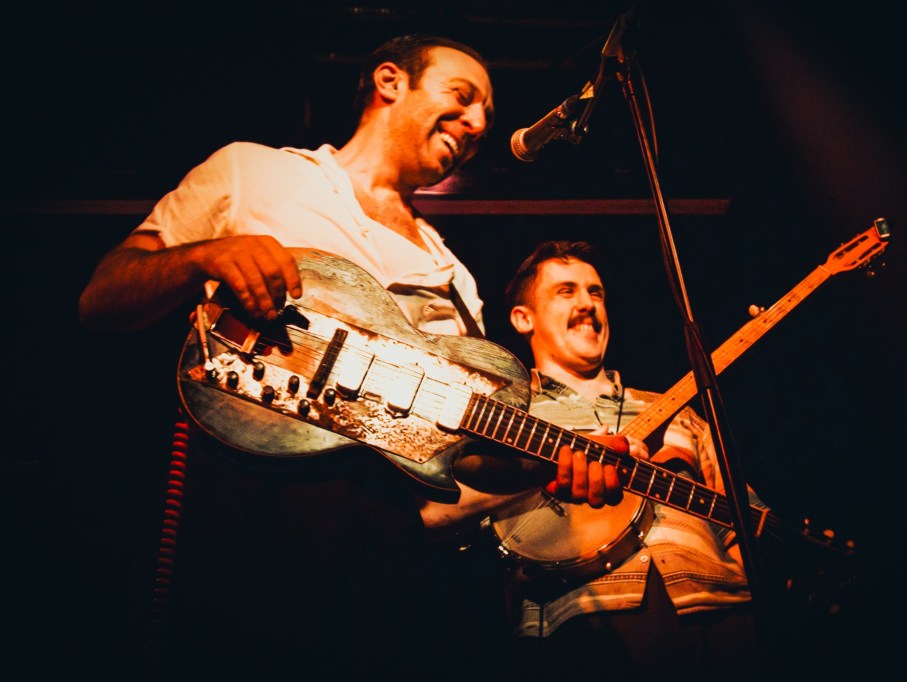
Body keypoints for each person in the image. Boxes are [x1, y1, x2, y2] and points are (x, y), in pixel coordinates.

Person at [78, 35, 621, 679]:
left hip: (386, 559)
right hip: (244, 513)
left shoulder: (455, 277)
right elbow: (101, 298)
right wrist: (203, 256)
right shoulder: (255, 172)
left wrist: (553, 461)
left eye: (487, 114)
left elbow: (467, 454)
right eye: (463, 96)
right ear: (390, 81)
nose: (478, 123)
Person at [483, 240, 763, 677]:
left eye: (595, 292)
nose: (587, 304)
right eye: (566, 291)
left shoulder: (676, 410)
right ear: (523, 318)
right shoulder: (507, 418)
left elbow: (746, 520)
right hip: (585, 624)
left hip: (726, 615)